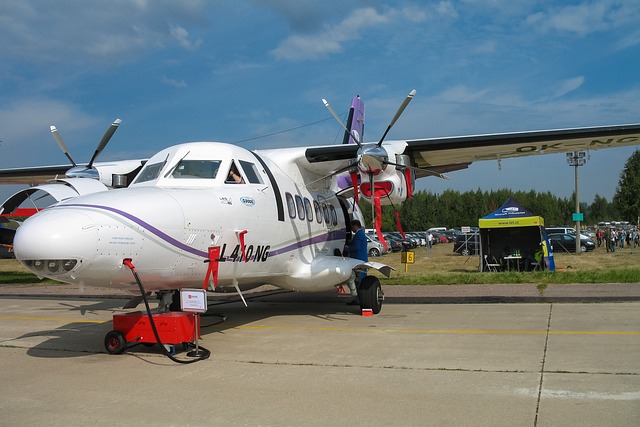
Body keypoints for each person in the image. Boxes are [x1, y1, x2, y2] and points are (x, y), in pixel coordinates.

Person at [346, 219, 368, 305]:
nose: (351, 229)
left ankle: (359, 299)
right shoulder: (361, 234)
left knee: (359, 281)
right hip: (361, 259)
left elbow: (356, 247)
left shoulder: (358, 235)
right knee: (358, 280)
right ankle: (358, 299)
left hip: (358, 260)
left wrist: (347, 248)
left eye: (352, 227)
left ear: (356, 226)